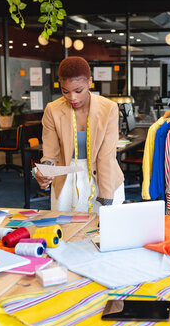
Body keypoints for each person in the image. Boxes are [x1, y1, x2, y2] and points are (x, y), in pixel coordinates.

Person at [33, 56, 125, 213]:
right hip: (66, 178)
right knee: (66, 231)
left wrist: (106, 195)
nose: (72, 97)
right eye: (65, 91)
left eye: (78, 90)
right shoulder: (52, 110)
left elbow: (106, 157)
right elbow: (50, 154)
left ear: (89, 82)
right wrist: (44, 171)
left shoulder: (109, 108)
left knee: (104, 231)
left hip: (104, 176)